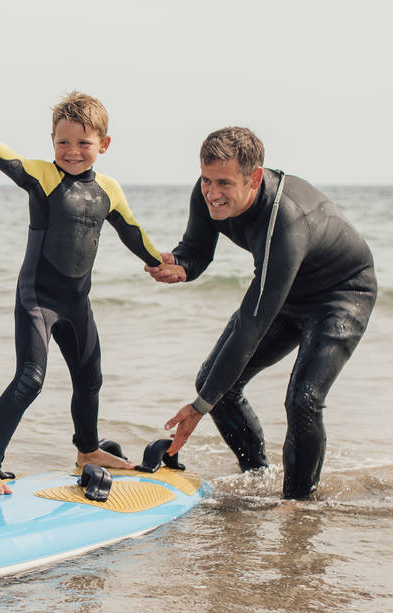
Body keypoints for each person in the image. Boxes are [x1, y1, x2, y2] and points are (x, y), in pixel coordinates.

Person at [146, 126, 376, 499]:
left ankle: (298, 504)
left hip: (341, 295)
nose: (212, 193)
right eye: (206, 180)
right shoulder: (208, 192)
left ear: (254, 178)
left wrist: (199, 408)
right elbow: (197, 248)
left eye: (223, 183)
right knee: (216, 382)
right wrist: (183, 266)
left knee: (302, 400)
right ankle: (257, 477)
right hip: (287, 290)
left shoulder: (284, 221)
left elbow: (251, 325)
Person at [0, 91, 165, 494]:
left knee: (90, 378)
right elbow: (11, 163)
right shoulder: (44, 177)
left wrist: (159, 263)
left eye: (83, 143)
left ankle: (88, 451)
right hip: (38, 299)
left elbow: (132, 232)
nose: (72, 151)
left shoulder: (109, 189)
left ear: (103, 144)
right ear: (52, 141)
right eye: (62, 142)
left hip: (76, 302)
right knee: (31, 379)